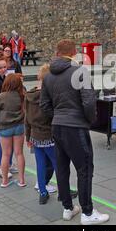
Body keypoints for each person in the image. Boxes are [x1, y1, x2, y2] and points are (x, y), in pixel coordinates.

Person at [40, 39, 109, 225]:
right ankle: (87, 213)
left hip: (58, 125)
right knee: (85, 168)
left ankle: (68, 208)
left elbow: (44, 105)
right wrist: (89, 120)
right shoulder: (80, 72)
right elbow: (89, 101)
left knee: (62, 168)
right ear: (74, 52)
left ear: (57, 52)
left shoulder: (47, 76)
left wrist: (58, 116)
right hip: (75, 126)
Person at [25, 63, 79, 205]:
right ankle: (63, 192)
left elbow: (26, 119)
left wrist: (27, 136)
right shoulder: (49, 96)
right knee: (59, 165)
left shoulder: (29, 95)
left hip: (35, 136)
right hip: (49, 136)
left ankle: (43, 192)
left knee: (40, 165)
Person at [0, 74, 26, 188]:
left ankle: (5, 181)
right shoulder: (22, 95)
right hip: (19, 126)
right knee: (19, 153)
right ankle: (21, 180)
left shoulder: (2, 96)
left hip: (5, 127)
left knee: (5, 154)